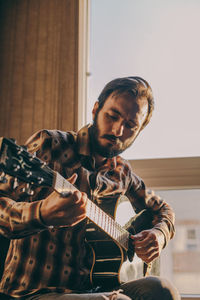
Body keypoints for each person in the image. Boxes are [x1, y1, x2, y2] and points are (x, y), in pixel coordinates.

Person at [0, 76, 180, 300]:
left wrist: (159, 235)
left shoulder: (124, 174)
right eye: (112, 116)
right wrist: (42, 213)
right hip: (37, 290)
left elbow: (164, 210)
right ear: (96, 109)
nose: (117, 130)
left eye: (130, 126)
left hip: (98, 287)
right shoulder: (50, 145)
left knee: (162, 290)